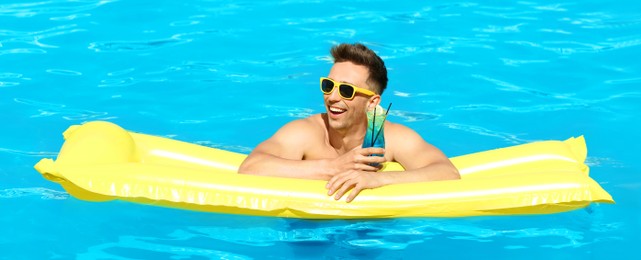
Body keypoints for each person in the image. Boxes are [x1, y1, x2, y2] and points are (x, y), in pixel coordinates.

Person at [238, 43, 460, 202]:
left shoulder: (391, 137)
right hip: (305, 229)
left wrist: (379, 180)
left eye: (346, 90)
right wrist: (332, 167)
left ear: (372, 103)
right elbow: (251, 167)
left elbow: (446, 173)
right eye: (328, 85)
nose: (333, 97)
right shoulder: (306, 132)